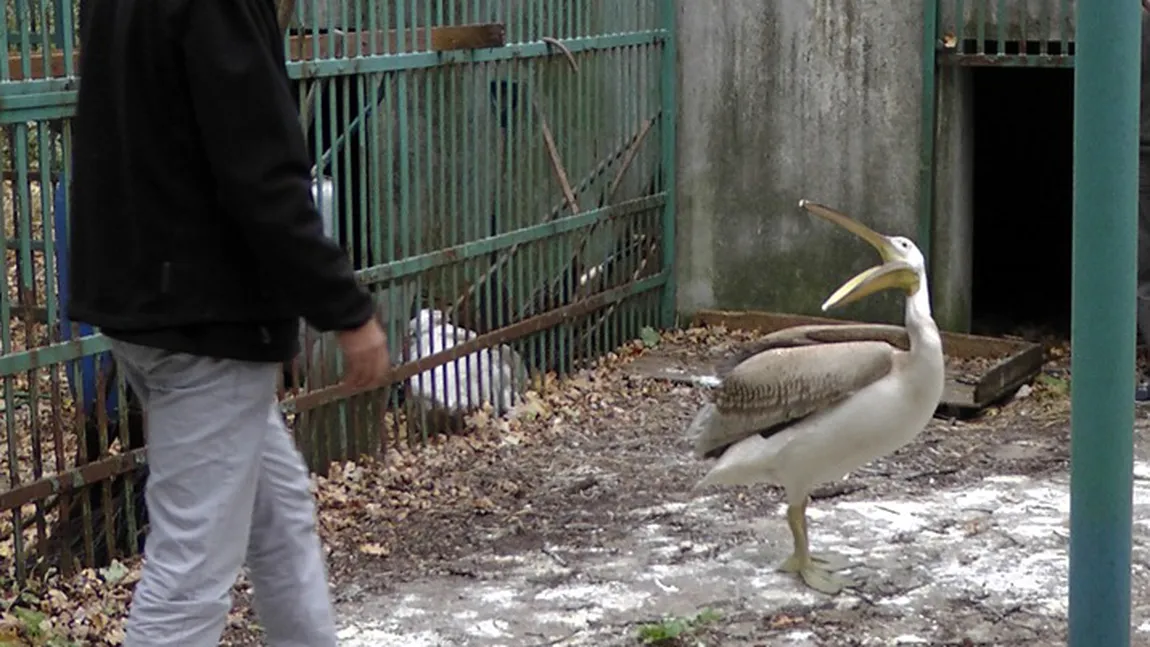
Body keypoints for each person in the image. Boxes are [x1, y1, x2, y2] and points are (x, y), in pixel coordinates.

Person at [66, 1, 391, 644]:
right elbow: (264, 175)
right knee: (190, 576)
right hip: (205, 321)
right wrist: (347, 312)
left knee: (278, 518)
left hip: (145, 300)